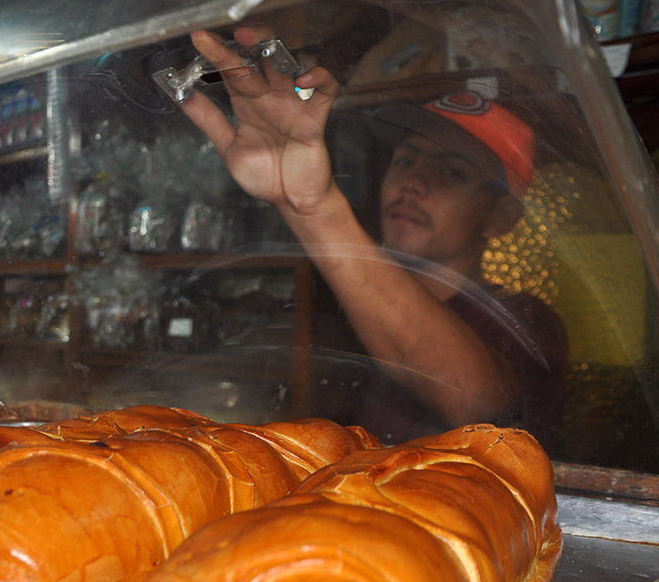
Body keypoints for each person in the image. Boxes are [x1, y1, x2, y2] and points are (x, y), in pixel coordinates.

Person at [181, 26, 567, 445]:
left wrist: (315, 208)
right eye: (405, 161)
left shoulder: (524, 321)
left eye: (451, 172)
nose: (413, 182)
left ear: (501, 217)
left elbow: (476, 407)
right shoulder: (348, 303)